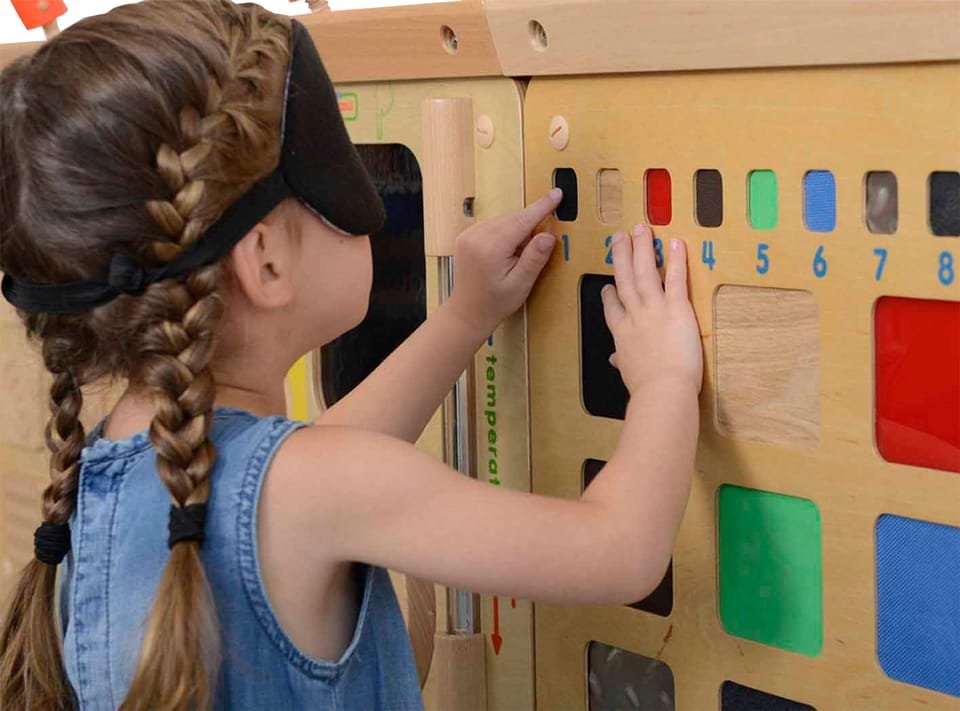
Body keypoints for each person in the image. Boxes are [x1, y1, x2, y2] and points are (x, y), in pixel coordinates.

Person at [0, 1, 702, 708]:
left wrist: (466, 315)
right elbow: (620, 550)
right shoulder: (317, 488)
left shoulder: (106, 475)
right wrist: (665, 379)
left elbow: (316, 460)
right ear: (265, 261)